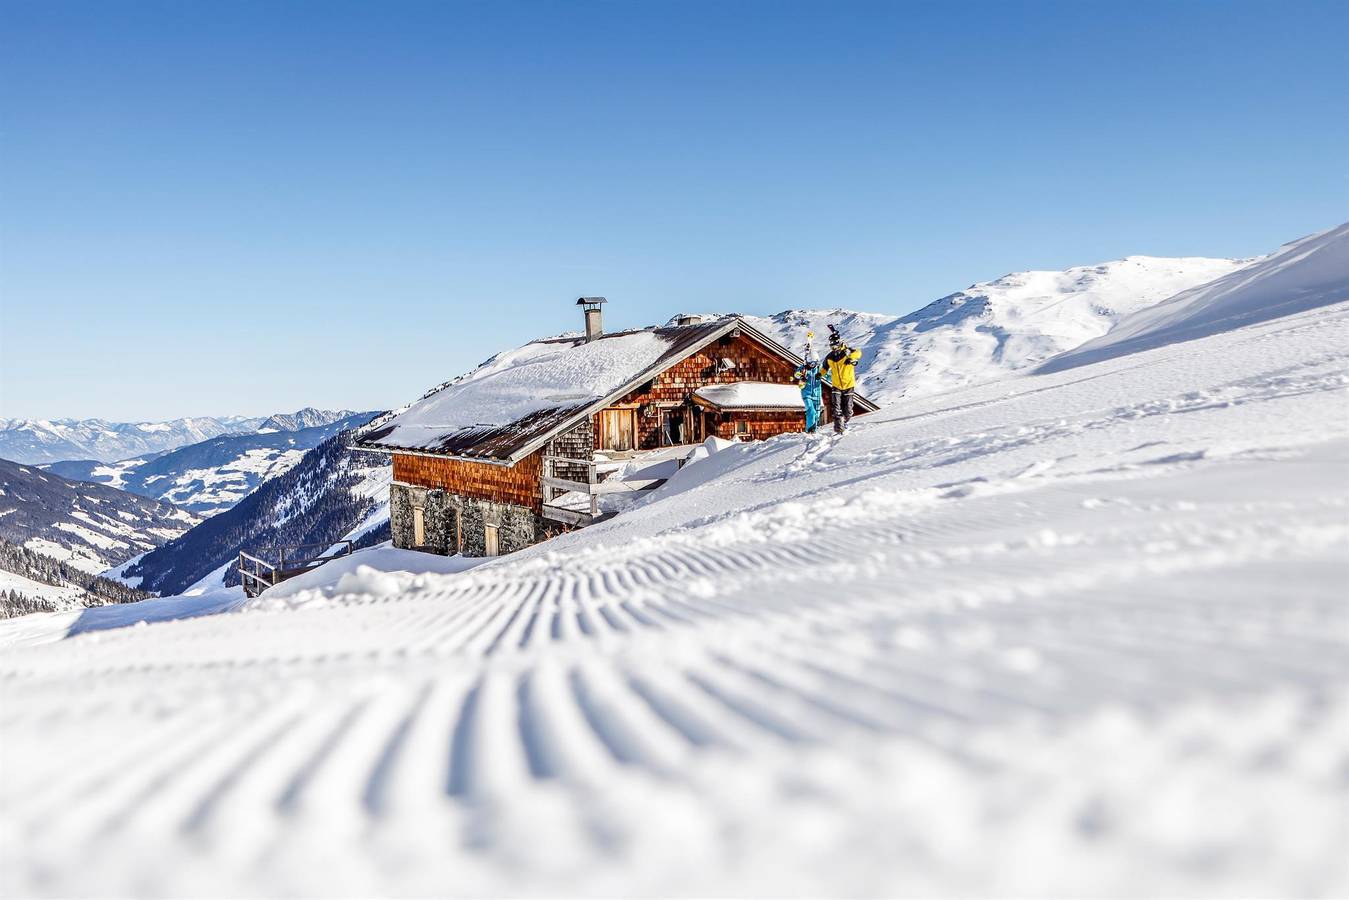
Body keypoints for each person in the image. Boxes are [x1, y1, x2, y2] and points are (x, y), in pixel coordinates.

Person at [822, 325, 862, 434]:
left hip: (848, 384)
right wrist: (819, 375)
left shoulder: (847, 352)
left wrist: (851, 358)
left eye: (835, 346)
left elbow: (858, 353)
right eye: (832, 346)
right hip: (836, 385)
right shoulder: (830, 357)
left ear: (839, 343)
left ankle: (845, 421)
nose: (833, 348)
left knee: (848, 410)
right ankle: (839, 429)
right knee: (836, 408)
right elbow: (824, 368)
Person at [793, 338, 825, 434]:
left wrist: (825, 375)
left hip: (817, 394)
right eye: (810, 363)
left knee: (817, 414)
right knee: (811, 411)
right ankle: (809, 430)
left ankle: (814, 430)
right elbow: (796, 374)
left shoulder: (819, 369)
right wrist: (801, 375)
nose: (811, 365)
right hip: (806, 393)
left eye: (813, 363)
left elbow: (828, 375)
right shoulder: (803, 368)